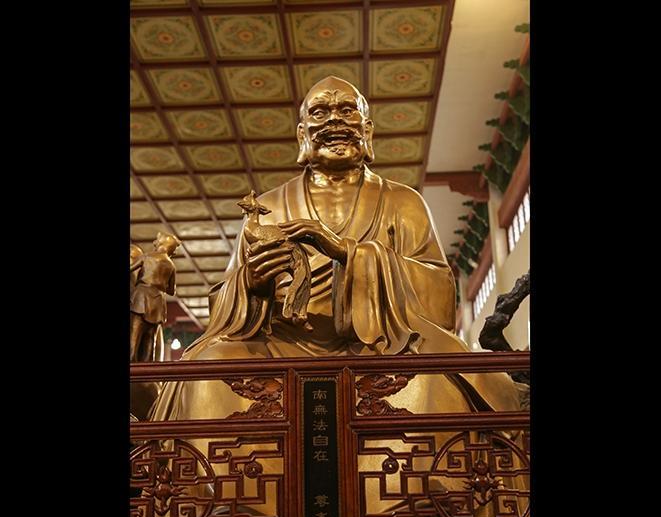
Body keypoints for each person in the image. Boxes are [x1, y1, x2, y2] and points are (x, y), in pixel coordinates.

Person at [148, 77, 521, 421]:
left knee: (431, 378)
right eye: (319, 112)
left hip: (377, 345)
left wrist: (349, 253)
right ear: (302, 134)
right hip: (282, 345)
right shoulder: (268, 206)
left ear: (367, 129)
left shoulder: (403, 202)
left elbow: (439, 297)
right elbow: (220, 304)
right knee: (209, 371)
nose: (334, 121)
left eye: (347, 110)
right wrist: (250, 283)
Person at [130, 232, 179, 363]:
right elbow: (172, 291)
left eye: (157, 241)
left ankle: (132, 361)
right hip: (158, 301)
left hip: (142, 297)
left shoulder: (147, 257)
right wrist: (159, 284)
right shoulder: (171, 265)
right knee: (150, 338)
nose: (154, 243)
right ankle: (147, 367)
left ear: (162, 244)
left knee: (135, 334)